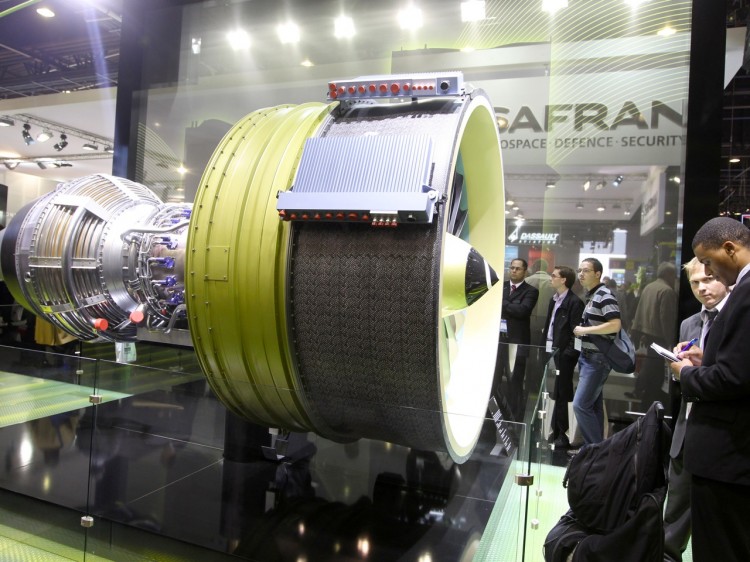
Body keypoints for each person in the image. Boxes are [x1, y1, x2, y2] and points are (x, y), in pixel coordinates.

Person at [669, 217, 750, 562]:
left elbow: (734, 379)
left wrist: (687, 374)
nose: (706, 274)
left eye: (709, 262)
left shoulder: (746, 293)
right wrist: (706, 361)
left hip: (727, 458)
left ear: (730, 249)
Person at [663, 258, 728, 562]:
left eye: (710, 279)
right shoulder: (690, 323)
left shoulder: (736, 320)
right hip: (687, 430)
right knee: (674, 513)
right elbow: (683, 385)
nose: (702, 287)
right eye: (695, 282)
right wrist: (678, 369)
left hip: (727, 437)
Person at [571, 257, 621, 449]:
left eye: (585, 271)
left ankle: (593, 450)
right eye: (579, 270)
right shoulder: (593, 295)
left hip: (597, 360)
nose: (581, 274)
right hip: (588, 358)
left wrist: (585, 331)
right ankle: (599, 450)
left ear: (597, 274)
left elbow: (615, 325)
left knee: (580, 405)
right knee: (593, 406)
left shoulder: (604, 295)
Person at [541, 265, 584, 449]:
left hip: (563, 354)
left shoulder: (574, 303)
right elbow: (549, 324)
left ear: (564, 279)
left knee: (562, 393)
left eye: (554, 275)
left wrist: (568, 354)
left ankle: (562, 433)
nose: (551, 278)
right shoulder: (554, 300)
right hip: (550, 349)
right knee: (552, 391)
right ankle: (552, 430)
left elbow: (576, 333)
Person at [495, 258, 539, 420]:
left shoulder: (531, 291)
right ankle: (494, 414)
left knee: (515, 381)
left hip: (516, 342)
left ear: (525, 271)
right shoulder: (501, 286)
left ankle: (514, 418)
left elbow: (522, 311)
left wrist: (502, 302)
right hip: (497, 341)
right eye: (511, 268)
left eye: (517, 269)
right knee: (494, 379)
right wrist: (510, 305)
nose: (513, 271)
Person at [629, 262, 678, 403]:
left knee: (650, 365)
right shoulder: (667, 291)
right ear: (669, 274)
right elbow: (666, 318)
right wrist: (670, 341)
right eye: (673, 275)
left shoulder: (649, 287)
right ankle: (645, 392)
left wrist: (637, 330)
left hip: (646, 332)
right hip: (658, 334)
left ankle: (640, 390)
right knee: (654, 367)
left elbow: (640, 310)